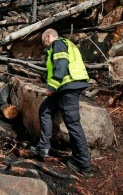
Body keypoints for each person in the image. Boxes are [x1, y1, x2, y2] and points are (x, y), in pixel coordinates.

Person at [30, 28, 93, 177]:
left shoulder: (58, 44)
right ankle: (43, 147)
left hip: (67, 87)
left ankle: (84, 165)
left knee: (73, 125)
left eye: (44, 42)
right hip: (63, 88)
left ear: (48, 37)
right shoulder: (66, 44)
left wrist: (52, 85)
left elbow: (62, 64)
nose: (45, 46)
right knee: (45, 109)